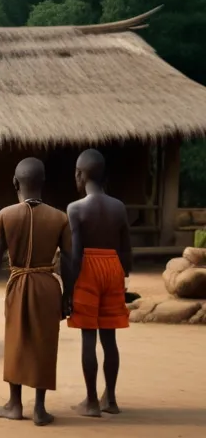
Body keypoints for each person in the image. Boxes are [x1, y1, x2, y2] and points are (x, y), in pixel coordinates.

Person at [0, 157, 72, 427]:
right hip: (48, 285)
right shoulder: (60, 218)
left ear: (16, 182)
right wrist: (68, 296)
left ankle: (14, 404)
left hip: (18, 284)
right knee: (44, 342)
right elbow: (69, 261)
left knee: (16, 341)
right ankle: (39, 408)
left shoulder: (5, 216)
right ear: (43, 183)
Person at [66, 148, 131, 417]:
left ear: (80, 175)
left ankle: (91, 401)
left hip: (88, 270)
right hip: (113, 267)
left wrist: (68, 289)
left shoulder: (75, 208)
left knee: (88, 337)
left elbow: (75, 252)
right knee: (109, 337)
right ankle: (111, 400)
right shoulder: (119, 207)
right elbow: (127, 249)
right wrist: (123, 277)